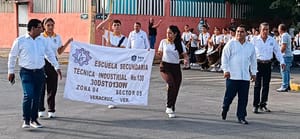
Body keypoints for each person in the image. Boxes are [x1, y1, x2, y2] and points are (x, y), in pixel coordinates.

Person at [7, 19, 62, 128]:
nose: (42, 29)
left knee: (36, 96)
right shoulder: (20, 41)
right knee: (29, 95)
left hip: (39, 72)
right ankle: (26, 120)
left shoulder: (42, 40)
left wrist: (56, 66)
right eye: (39, 27)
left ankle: (34, 120)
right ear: (32, 28)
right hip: (26, 72)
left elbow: (49, 54)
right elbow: (12, 56)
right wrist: (10, 71)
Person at [221, 24, 257, 124]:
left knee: (243, 98)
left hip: (245, 77)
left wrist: (254, 73)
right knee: (229, 96)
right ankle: (225, 108)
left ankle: (241, 116)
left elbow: (253, 61)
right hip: (232, 76)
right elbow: (225, 58)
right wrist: (225, 70)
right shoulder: (231, 44)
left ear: (246, 33)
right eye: (238, 31)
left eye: (241, 32)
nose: (239, 33)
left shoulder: (250, 46)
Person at [38, 18, 73, 118]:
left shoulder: (57, 37)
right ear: (44, 26)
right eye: (48, 25)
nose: (50, 27)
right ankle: (40, 109)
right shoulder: (40, 37)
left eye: (52, 25)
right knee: (41, 87)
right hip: (42, 63)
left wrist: (67, 42)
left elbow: (59, 51)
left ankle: (51, 110)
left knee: (52, 88)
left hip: (53, 63)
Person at [251, 22, 285, 113]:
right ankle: (255, 105)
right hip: (258, 63)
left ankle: (263, 104)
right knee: (257, 85)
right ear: (260, 30)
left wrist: (282, 61)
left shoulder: (272, 40)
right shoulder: (254, 40)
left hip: (267, 64)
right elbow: (250, 53)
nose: (265, 31)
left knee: (266, 85)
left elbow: (277, 52)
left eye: (267, 29)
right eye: (264, 29)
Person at [157, 25, 189, 118]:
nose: (168, 35)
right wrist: (156, 54)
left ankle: (172, 106)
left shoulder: (179, 43)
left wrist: (186, 60)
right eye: (167, 33)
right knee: (171, 84)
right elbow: (159, 54)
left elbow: (185, 55)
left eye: (170, 33)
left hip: (176, 67)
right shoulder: (163, 42)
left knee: (176, 87)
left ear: (175, 34)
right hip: (165, 66)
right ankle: (168, 106)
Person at [96, 14, 128, 109]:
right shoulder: (108, 34)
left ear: (120, 26)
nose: (116, 26)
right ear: (112, 27)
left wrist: (112, 46)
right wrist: (107, 20)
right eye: (114, 25)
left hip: (118, 62)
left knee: (116, 80)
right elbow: (98, 28)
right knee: (109, 80)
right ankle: (110, 99)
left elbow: (123, 49)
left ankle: (115, 98)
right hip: (109, 61)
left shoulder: (124, 39)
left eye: (118, 25)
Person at [277, 24, 293, 92]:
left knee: (284, 71)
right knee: (287, 71)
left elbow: (283, 46)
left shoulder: (284, 36)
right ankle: (287, 85)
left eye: (278, 28)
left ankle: (284, 86)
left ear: (281, 29)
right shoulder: (287, 35)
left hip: (285, 56)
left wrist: (279, 54)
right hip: (289, 55)